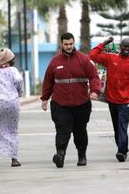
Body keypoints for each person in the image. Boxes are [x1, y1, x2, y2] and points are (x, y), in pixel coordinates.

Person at [41, 32, 101, 168]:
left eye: (71, 44)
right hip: (60, 104)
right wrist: (44, 99)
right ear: (61, 44)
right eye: (66, 44)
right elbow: (48, 81)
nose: (69, 46)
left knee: (80, 131)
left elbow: (94, 76)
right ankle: (60, 155)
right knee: (62, 130)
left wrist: (95, 91)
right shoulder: (55, 62)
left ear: (74, 43)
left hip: (81, 103)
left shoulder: (84, 60)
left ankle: (82, 155)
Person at [90, 37, 129, 162]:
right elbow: (93, 55)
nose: (127, 49)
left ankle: (121, 151)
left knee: (122, 126)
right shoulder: (110, 58)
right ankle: (122, 149)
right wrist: (104, 43)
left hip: (126, 102)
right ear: (120, 46)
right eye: (125, 46)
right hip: (112, 101)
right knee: (116, 128)